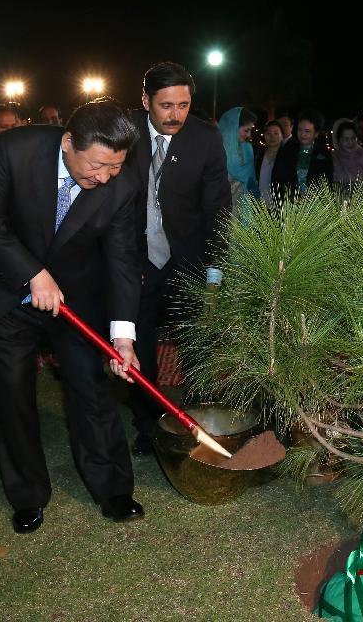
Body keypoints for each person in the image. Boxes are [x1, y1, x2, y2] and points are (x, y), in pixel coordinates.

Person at [0, 98, 144, 533]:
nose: (104, 177)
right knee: (14, 394)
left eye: (115, 167)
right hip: (8, 293)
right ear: (68, 142)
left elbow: (122, 259)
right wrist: (33, 274)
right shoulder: (17, 150)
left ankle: (113, 488)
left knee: (91, 389)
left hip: (75, 300)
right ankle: (27, 494)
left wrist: (123, 337)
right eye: (98, 165)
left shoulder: (122, 184)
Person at [123, 62, 231, 455]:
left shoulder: (205, 137)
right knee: (138, 342)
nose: (175, 115)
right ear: (145, 101)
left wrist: (215, 269)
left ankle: (198, 420)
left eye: (183, 105)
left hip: (187, 258)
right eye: (166, 105)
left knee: (197, 343)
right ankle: (148, 423)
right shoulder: (124, 131)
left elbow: (218, 208)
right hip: (135, 261)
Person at [270, 108, 333, 199]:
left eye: (307, 131)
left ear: (316, 133)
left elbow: (327, 184)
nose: (302, 134)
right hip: (290, 205)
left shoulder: (324, 154)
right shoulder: (287, 150)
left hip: (314, 205)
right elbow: (277, 178)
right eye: (299, 130)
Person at [219, 106, 259, 207]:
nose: (249, 135)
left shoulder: (248, 149)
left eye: (250, 130)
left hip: (245, 205)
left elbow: (251, 178)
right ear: (233, 127)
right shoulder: (218, 149)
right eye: (246, 130)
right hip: (223, 205)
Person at [255, 120, 284, 207]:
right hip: (260, 205)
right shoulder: (259, 154)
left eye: (276, 133)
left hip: (280, 206)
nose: (272, 137)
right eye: (268, 133)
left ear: (282, 135)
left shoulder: (287, 156)